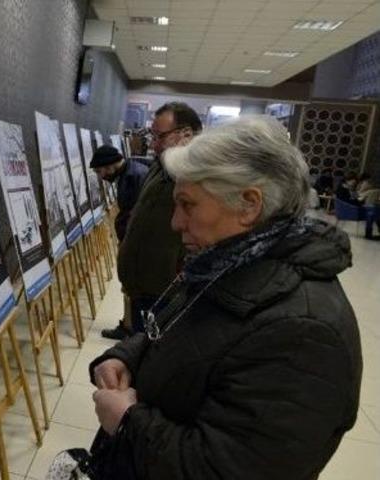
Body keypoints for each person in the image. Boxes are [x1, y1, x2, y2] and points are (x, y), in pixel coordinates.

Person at [88, 116, 362, 480]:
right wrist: (126, 356)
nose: (176, 222)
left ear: (249, 205)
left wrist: (128, 422)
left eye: (188, 205)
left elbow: (227, 469)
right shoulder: (227, 263)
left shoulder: (303, 334)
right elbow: (186, 333)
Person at [115, 102, 202, 336]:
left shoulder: (197, 175)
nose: (153, 143)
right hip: (141, 285)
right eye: (152, 135)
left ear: (186, 135)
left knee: (153, 348)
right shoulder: (159, 166)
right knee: (140, 347)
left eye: (160, 136)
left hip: (163, 289)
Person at [89, 145, 149, 340]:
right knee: (128, 283)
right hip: (133, 239)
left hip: (137, 241)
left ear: (110, 165)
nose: (101, 176)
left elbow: (137, 213)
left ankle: (131, 329)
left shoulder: (134, 177)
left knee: (132, 283)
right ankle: (128, 324)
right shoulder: (131, 172)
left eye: (100, 171)